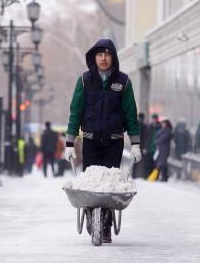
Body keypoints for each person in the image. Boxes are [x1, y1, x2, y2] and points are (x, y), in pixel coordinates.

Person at [64, 38, 141, 244]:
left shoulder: (123, 82)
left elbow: (131, 114)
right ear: (94, 57)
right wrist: (70, 143)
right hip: (89, 141)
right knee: (92, 184)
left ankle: (105, 224)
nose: (103, 58)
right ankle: (91, 217)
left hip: (113, 142)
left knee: (108, 185)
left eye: (107, 54)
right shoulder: (84, 80)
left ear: (113, 57)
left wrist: (135, 143)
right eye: (100, 54)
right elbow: (75, 112)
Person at [144, 114, 161, 178]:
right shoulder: (149, 126)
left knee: (156, 163)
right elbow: (146, 137)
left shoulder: (160, 127)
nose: (154, 120)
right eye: (153, 118)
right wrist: (145, 147)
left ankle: (155, 177)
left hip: (157, 148)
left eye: (155, 118)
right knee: (148, 163)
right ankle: (148, 176)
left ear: (157, 119)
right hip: (149, 148)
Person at [132, 113, 147, 178]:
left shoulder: (136, 124)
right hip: (141, 145)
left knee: (135, 160)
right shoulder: (144, 126)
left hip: (136, 144)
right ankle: (143, 175)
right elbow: (146, 137)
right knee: (143, 161)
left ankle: (134, 175)